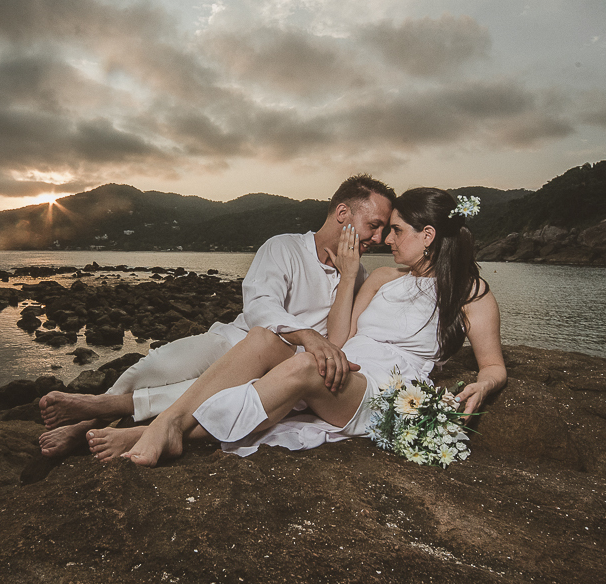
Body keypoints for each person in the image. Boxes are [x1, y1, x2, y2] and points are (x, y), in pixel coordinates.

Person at [88, 187, 506, 466]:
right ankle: (169, 423)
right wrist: (349, 274)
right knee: (263, 338)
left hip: (384, 389)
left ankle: (163, 427)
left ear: (428, 235)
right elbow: (340, 339)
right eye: (384, 229)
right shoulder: (380, 279)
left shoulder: (471, 293)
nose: (386, 240)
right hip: (346, 367)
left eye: (396, 230)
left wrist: (484, 386)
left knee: (304, 368)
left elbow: (493, 366)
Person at [36, 174, 397, 457]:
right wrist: (305, 333)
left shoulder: (359, 276)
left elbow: (343, 338)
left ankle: (99, 414)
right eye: (374, 225)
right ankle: (89, 418)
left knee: (202, 393)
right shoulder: (284, 247)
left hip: (282, 367)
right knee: (158, 364)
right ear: (343, 213)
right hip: (238, 339)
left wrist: (350, 277)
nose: (379, 237)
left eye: (384, 229)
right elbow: (259, 305)